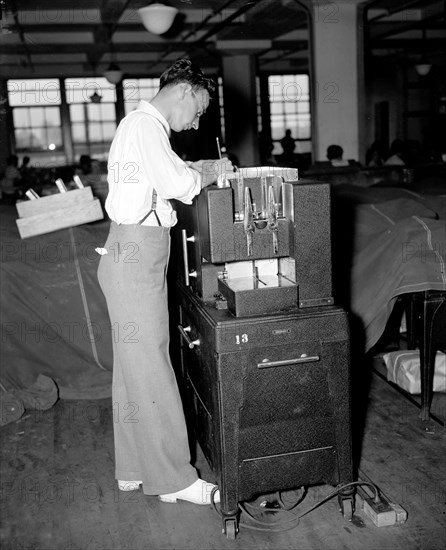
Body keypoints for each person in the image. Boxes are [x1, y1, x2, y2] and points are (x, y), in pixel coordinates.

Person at [96, 58, 233, 505]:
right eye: (199, 110)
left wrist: (201, 168)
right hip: (136, 256)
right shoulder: (145, 125)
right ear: (184, 91)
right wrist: (208, 174)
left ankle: (134, 467)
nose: (197, 121)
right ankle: (176, 480)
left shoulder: (142, 127)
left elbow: (170, 171)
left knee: (133, 370)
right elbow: (177, 181)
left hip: (131, 254)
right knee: (153, 367)